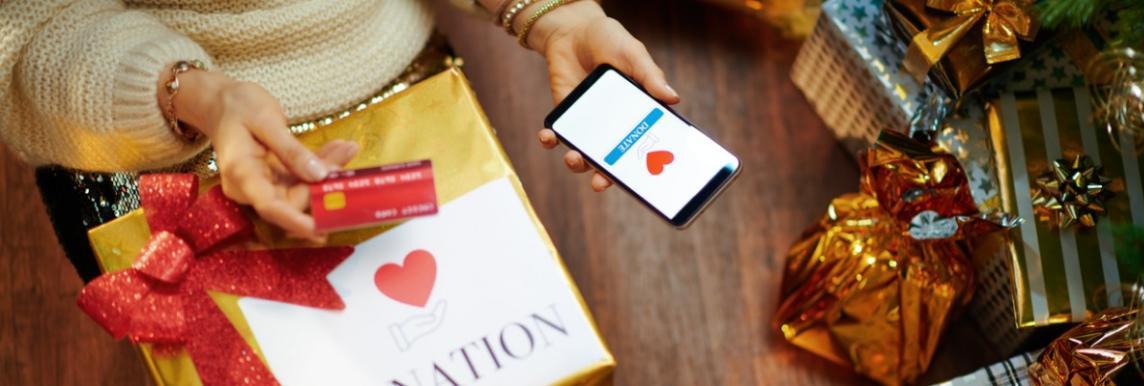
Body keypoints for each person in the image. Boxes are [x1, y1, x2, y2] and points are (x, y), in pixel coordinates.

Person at [0, 0, 678, 272]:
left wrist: (546, 12)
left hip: (407, 92)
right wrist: (194, 93)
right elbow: (27, 28)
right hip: (145, 133)